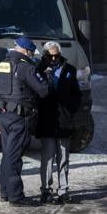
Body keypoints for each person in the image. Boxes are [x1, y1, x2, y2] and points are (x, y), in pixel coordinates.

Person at [0, 36, 51, 207]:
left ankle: (5, 192)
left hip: (3, 115)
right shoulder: (25, 67)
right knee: (14, 156)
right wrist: (45, 76)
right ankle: (16, 196)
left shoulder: (2, 65)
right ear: (25, 51)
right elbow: (44, 90)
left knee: (7, 155)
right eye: (31, 52)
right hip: (19, 118)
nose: (31, 55)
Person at [35, 41, 82, 204]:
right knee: (47, 158)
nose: (54, 59)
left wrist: (71, 110)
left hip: (63, 120)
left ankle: (63, 190)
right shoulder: (38, 69)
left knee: (63, 157)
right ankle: (45, 190)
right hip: (46, 119)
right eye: (50, 55)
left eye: (56, 55)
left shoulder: (69, 70)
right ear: (45, 55)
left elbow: (77, 94)